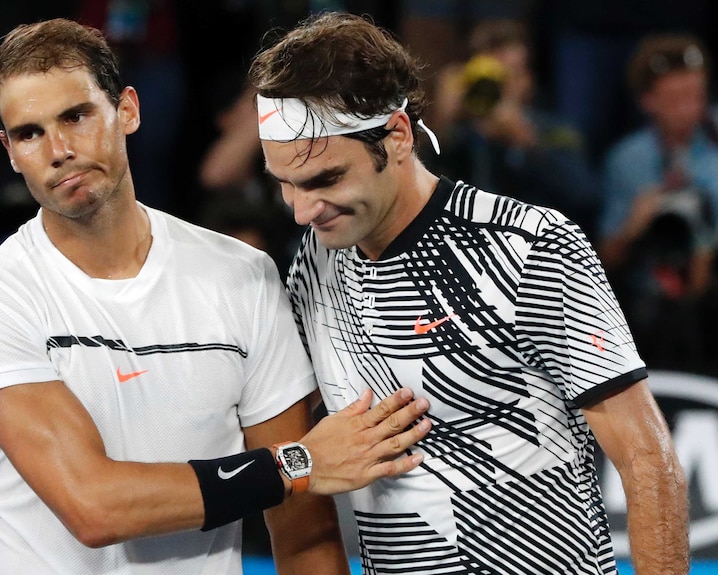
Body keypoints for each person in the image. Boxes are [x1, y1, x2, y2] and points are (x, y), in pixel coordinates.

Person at [0, 18, 432, 574]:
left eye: (76, 117)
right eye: (29, 133)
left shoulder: (241, 276)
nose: (58, 150)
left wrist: (299, 470)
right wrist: (300, 462)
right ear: (9, 150)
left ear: (127, 109)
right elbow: (94, 507)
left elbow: (302, 534)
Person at [248, 11, 689, 574]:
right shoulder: (315, 260)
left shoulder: (531, 247)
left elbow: (648, 459)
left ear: (397, 136)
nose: (302, 210)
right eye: (283, 183)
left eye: (326, 178)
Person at [597, 33, 718, 372]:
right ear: (648, 101)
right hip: (649, 306)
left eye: (697, 95)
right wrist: (633, 225)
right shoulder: (627, 159)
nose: (690, 108)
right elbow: (604, 259)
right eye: (676, 98)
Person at [431, 19, 601, 239]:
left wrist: (529, 145)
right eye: (491, 77)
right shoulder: (458, 136)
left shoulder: (555, 131)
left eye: (510, 73)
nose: (500, 88)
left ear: (527, 82)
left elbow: (584, 196)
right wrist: (442, 124)